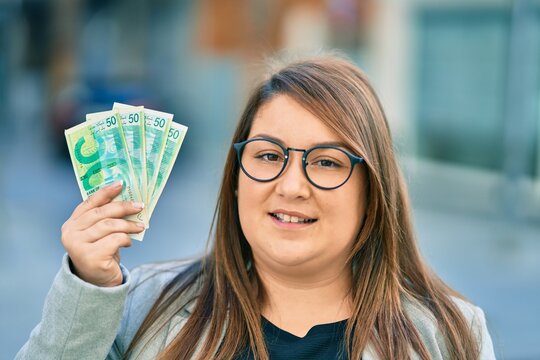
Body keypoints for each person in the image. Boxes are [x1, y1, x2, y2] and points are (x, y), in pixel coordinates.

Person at [16, 55, 496, 360]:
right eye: (268, 155)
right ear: (236, 178)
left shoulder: (450, 335)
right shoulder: (141, 307)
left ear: (374, 189)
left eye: (326, 162)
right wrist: (88, 290)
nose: (291, 186)